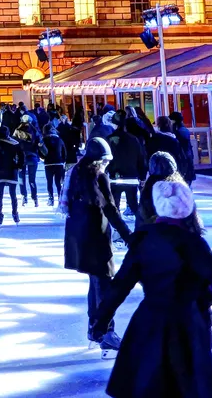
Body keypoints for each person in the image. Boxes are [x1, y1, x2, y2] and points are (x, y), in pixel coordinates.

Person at [91, 180, 212, 395]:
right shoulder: (191, 243)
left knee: (151, 386)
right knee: (188, 387)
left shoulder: (143, 239)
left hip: (148, 324)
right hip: (185, 327)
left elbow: (120, 286)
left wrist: (101, 321)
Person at [63, 137, 133, 355]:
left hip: (79, 240)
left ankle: (95, 331)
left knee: (96, 284)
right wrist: (128, 236)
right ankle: (106, 333)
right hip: (97, 239)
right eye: (105, 160)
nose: (107, 165)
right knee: (105, 286)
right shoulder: (99, 177)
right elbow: (111, 210)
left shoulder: (76, 173)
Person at [106, 111, 146, 225]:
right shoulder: (134, 140)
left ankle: (118, 232)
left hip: (115, 178)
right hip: (132, 177)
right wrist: (142, 177)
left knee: (115, 207)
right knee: (134, 205)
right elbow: (141, 159)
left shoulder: (109, 139)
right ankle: (140, 229)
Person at [0, 125, 23, 226]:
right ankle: (15, 214)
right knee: (13, 194)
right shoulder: (15, 143)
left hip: (0, 170)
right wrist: (19, 166)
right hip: (12, 170)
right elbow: (22, 156)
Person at [41, 121, 68, 206]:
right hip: (59, 163)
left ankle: (51, 199)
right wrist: (63, 160)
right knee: (58, 182)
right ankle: (60, 198)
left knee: (49, 182)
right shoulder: (59, 139)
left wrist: (43, 158)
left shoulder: (44, 140)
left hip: (48, 163)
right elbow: (64, 152)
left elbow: (41, 151)